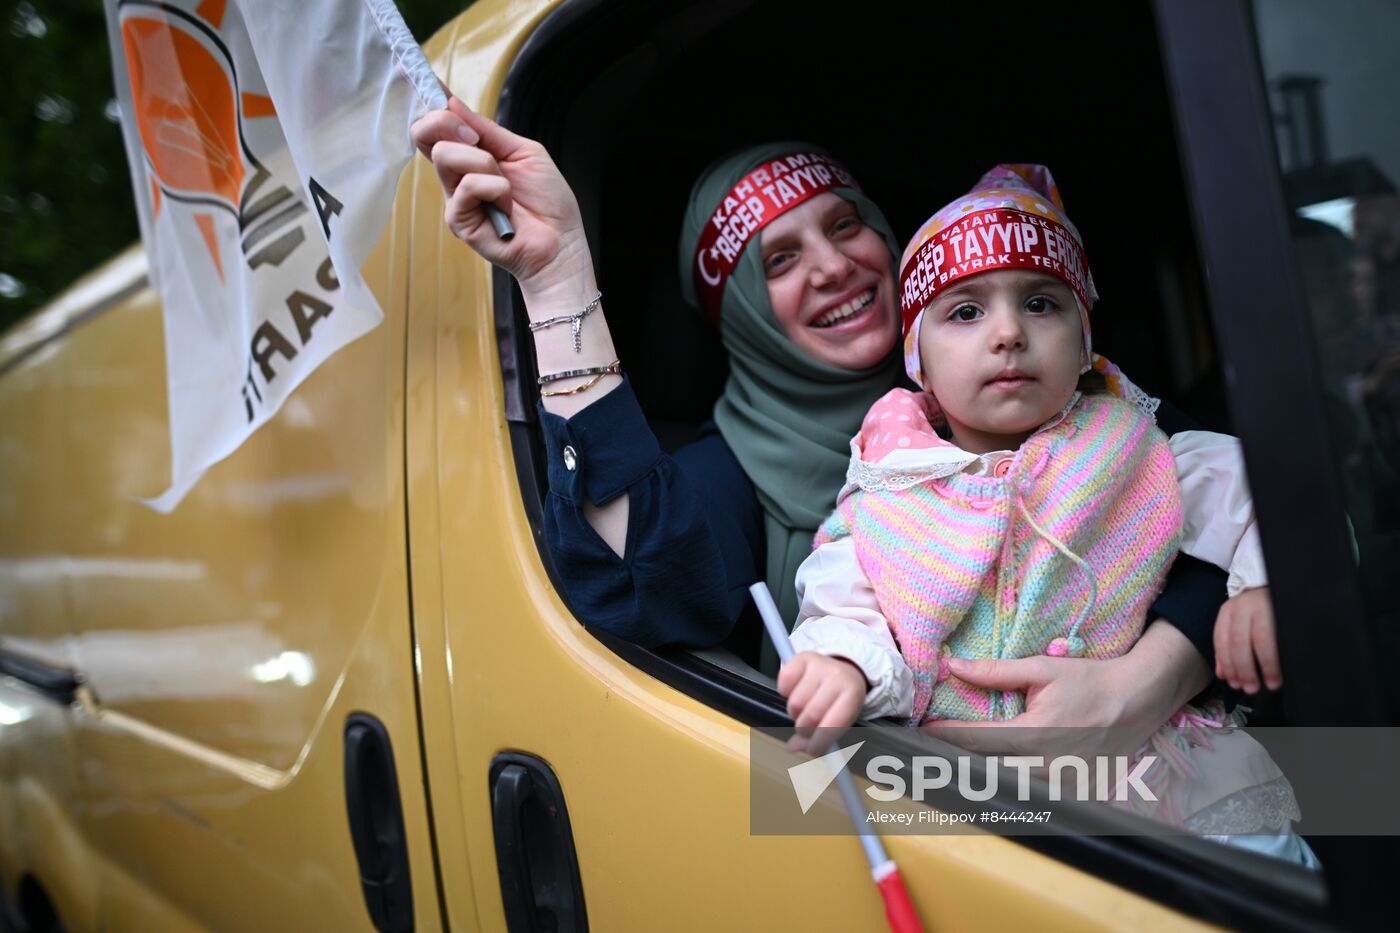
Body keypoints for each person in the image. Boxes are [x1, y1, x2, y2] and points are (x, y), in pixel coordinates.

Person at [411, 100, 1231, 754]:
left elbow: (1230, 509)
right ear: (739, 317)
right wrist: (556, 282)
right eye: (779, 259)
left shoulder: (1051, 391)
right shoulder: (728, 479)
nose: (834, 265)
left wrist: (1141, 685)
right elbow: (636, 582)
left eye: (845, 225)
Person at [779, 165, 1314, 862]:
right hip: (970, 810)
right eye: (965, 311)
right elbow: (843, 609)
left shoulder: (1138, 449)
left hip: (1179, 790)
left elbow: (1279, 491)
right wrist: (845, 665)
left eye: (1041, 303)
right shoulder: (885, 497)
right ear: (920, 363)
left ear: (1085, 335)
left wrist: (1259, 581)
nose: (1008, 333)